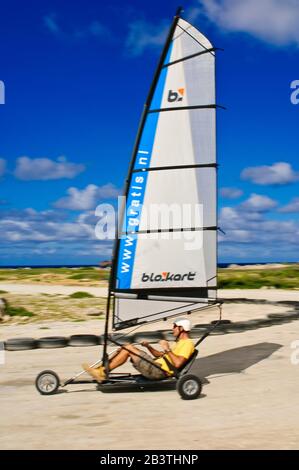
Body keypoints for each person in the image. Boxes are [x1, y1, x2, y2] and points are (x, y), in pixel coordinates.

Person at [82, 317, 195, 382]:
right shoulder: (179, 343)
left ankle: (101, 372)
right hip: (155, 365)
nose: (173, 329)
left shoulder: (188, 344)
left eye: (175, 326)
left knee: (128, 348)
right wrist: (149, 347)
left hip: (159, 372)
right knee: (126, 346)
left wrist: (167, 349)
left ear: (182, 328)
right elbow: (161, 355)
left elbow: (178, 363)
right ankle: (101, 370)